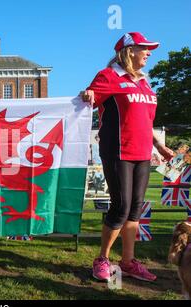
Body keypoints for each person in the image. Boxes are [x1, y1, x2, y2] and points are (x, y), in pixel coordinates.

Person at [81, 32, 174, 282]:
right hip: (117, 151)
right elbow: (89, 95)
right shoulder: (108, 75)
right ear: (129, 50)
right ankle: (101, 259)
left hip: (143, 153)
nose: (149, 53)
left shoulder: (143, 82)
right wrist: (89, 95)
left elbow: (146, 120)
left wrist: (159, 146)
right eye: (144, 48)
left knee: (135, 208)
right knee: (120, 206)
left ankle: (128, 262)